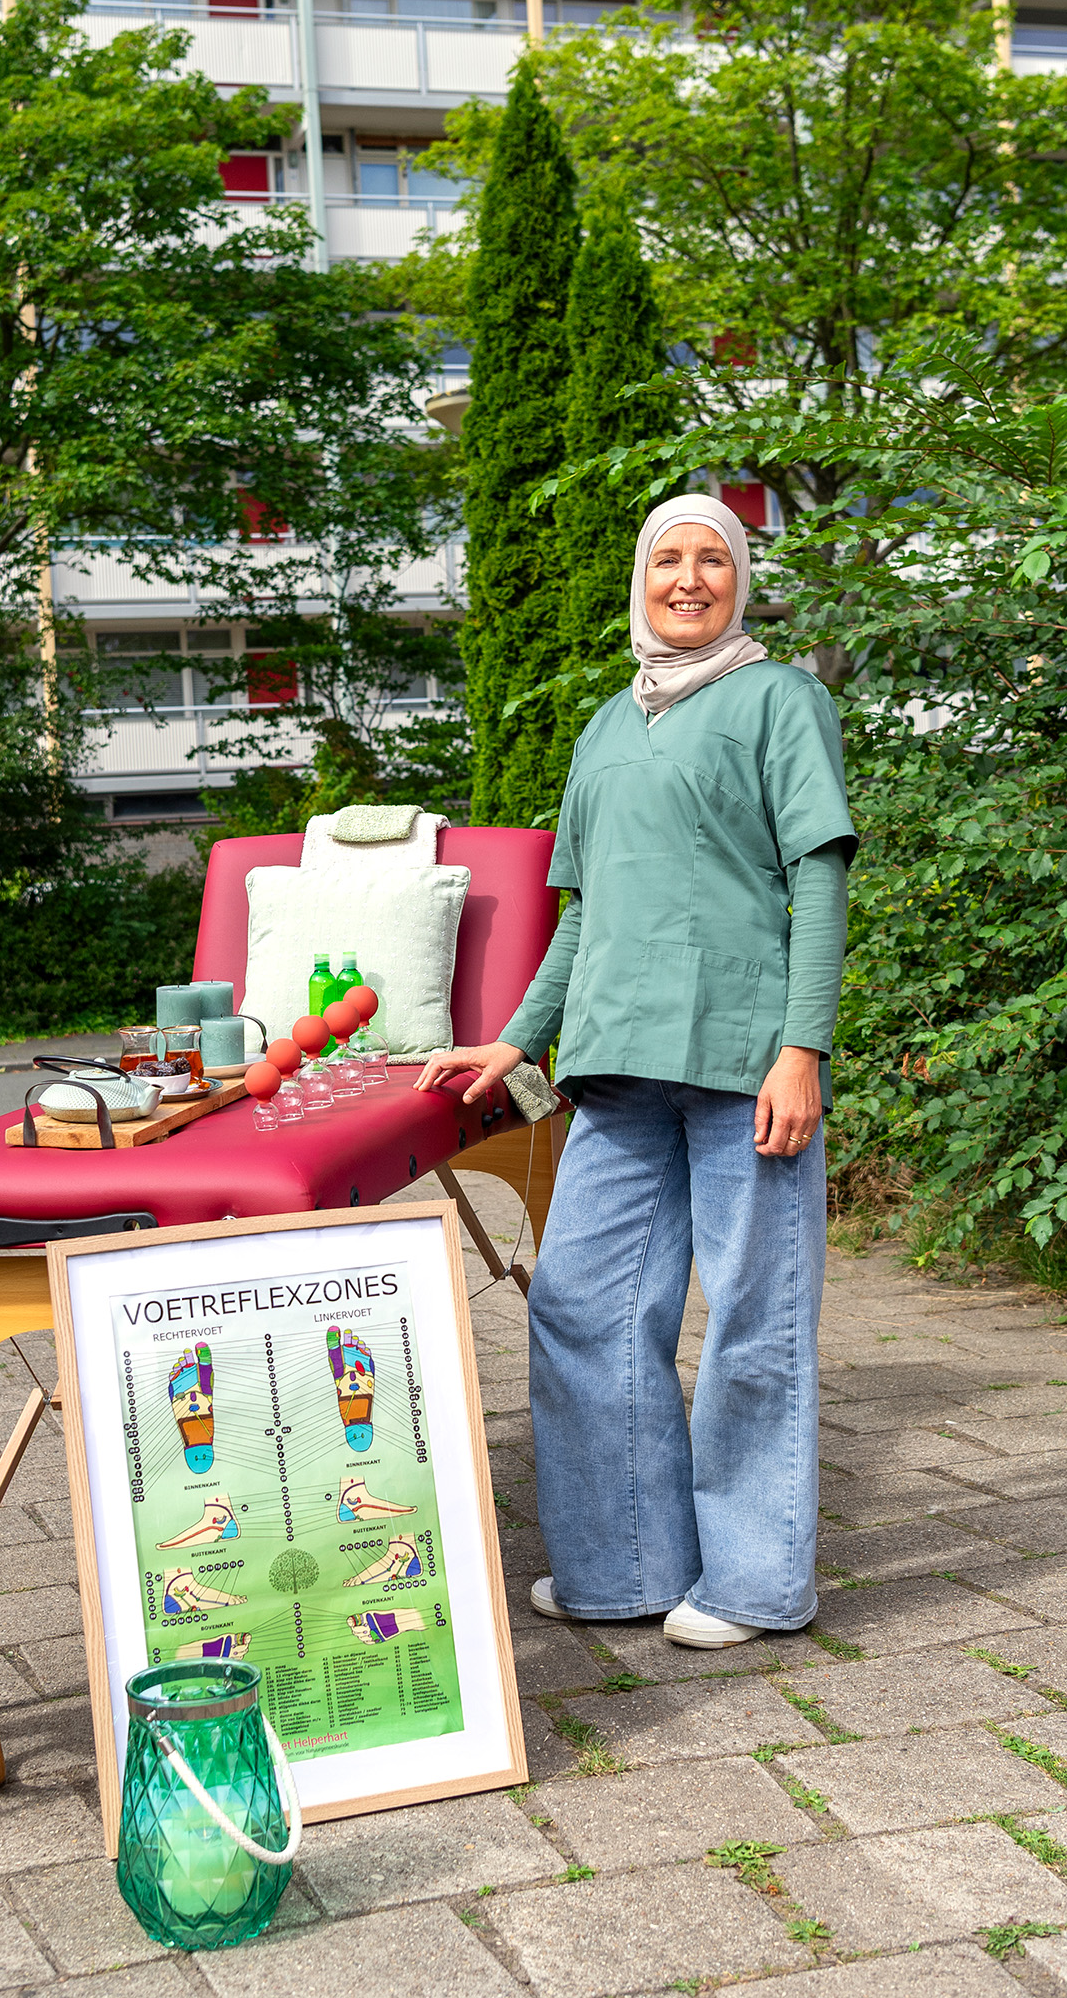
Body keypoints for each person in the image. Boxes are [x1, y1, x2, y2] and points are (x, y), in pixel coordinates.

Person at [417, 494, 854, 1649]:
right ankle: (623, 1565)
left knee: (755, 1317)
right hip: (613, 1073)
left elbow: (819, 875)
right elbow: (582, 914)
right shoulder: (608, 724)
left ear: (742, 580)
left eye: (716, 557)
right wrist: (518, 1036)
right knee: (579, 1305)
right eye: (671, 556)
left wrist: (803, 1046)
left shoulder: (779, 699)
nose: (692, 576)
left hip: (743, 1060)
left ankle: (758, 1585)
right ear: (641, 578)